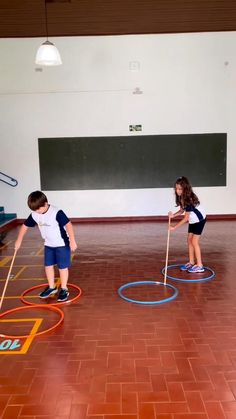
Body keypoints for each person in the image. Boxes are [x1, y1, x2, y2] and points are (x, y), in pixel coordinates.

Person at [15, 191, 77, 301]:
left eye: (38, 209)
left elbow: (68, 224)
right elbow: (24, 226)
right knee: (48, 266)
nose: (36, 212)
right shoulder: (35, 213)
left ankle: (64, 288)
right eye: (34, 210)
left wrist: (72, 241)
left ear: (45, 203)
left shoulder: (56, 212)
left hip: (61, 244)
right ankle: (52, 287)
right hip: (48, 244)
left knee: (62, 267)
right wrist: (19, 240)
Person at [168, 176, 206, 273]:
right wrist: (173, 215)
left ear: (185, 188)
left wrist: (174, 227)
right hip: (193, 220)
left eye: (180, 189)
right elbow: (182, 211)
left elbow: (186, 218)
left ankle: (200, 265)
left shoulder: (188, 199)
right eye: (176, 188)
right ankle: (191, 262)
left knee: (194, 242)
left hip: (199, 220)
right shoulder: (181, 198)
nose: (178, 191)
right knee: (189, 240)